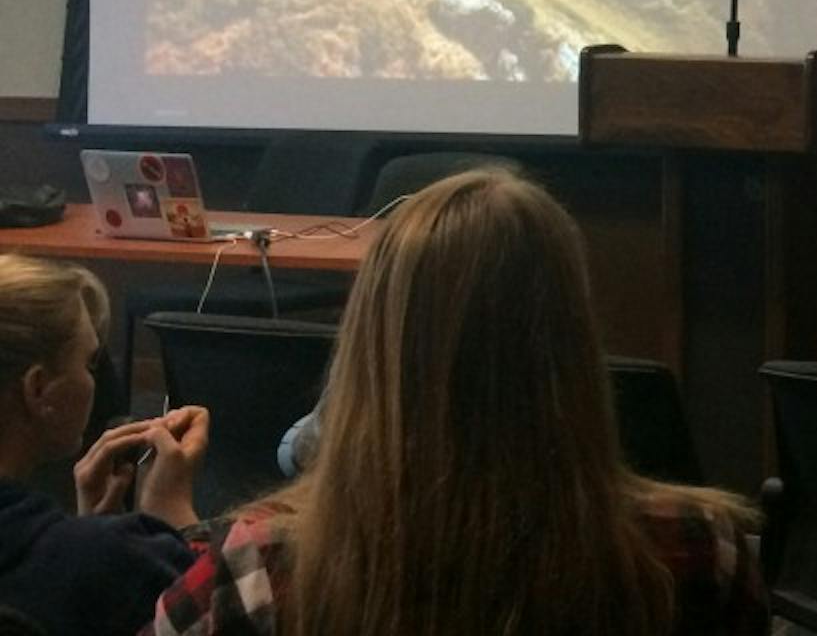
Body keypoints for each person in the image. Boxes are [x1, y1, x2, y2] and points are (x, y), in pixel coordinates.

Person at [147, 169, 766, 636]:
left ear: (371, 340)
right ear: (573, 341)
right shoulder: (703, 550)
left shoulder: (262, 568)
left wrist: (153, 529)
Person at [0, 254, 210, 635]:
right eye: (89, 362)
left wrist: (85, 532)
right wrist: (172, 514)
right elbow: (229, 611)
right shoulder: (113, 562)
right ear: (38, 388)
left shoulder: (86, 552)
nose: (94, 380)